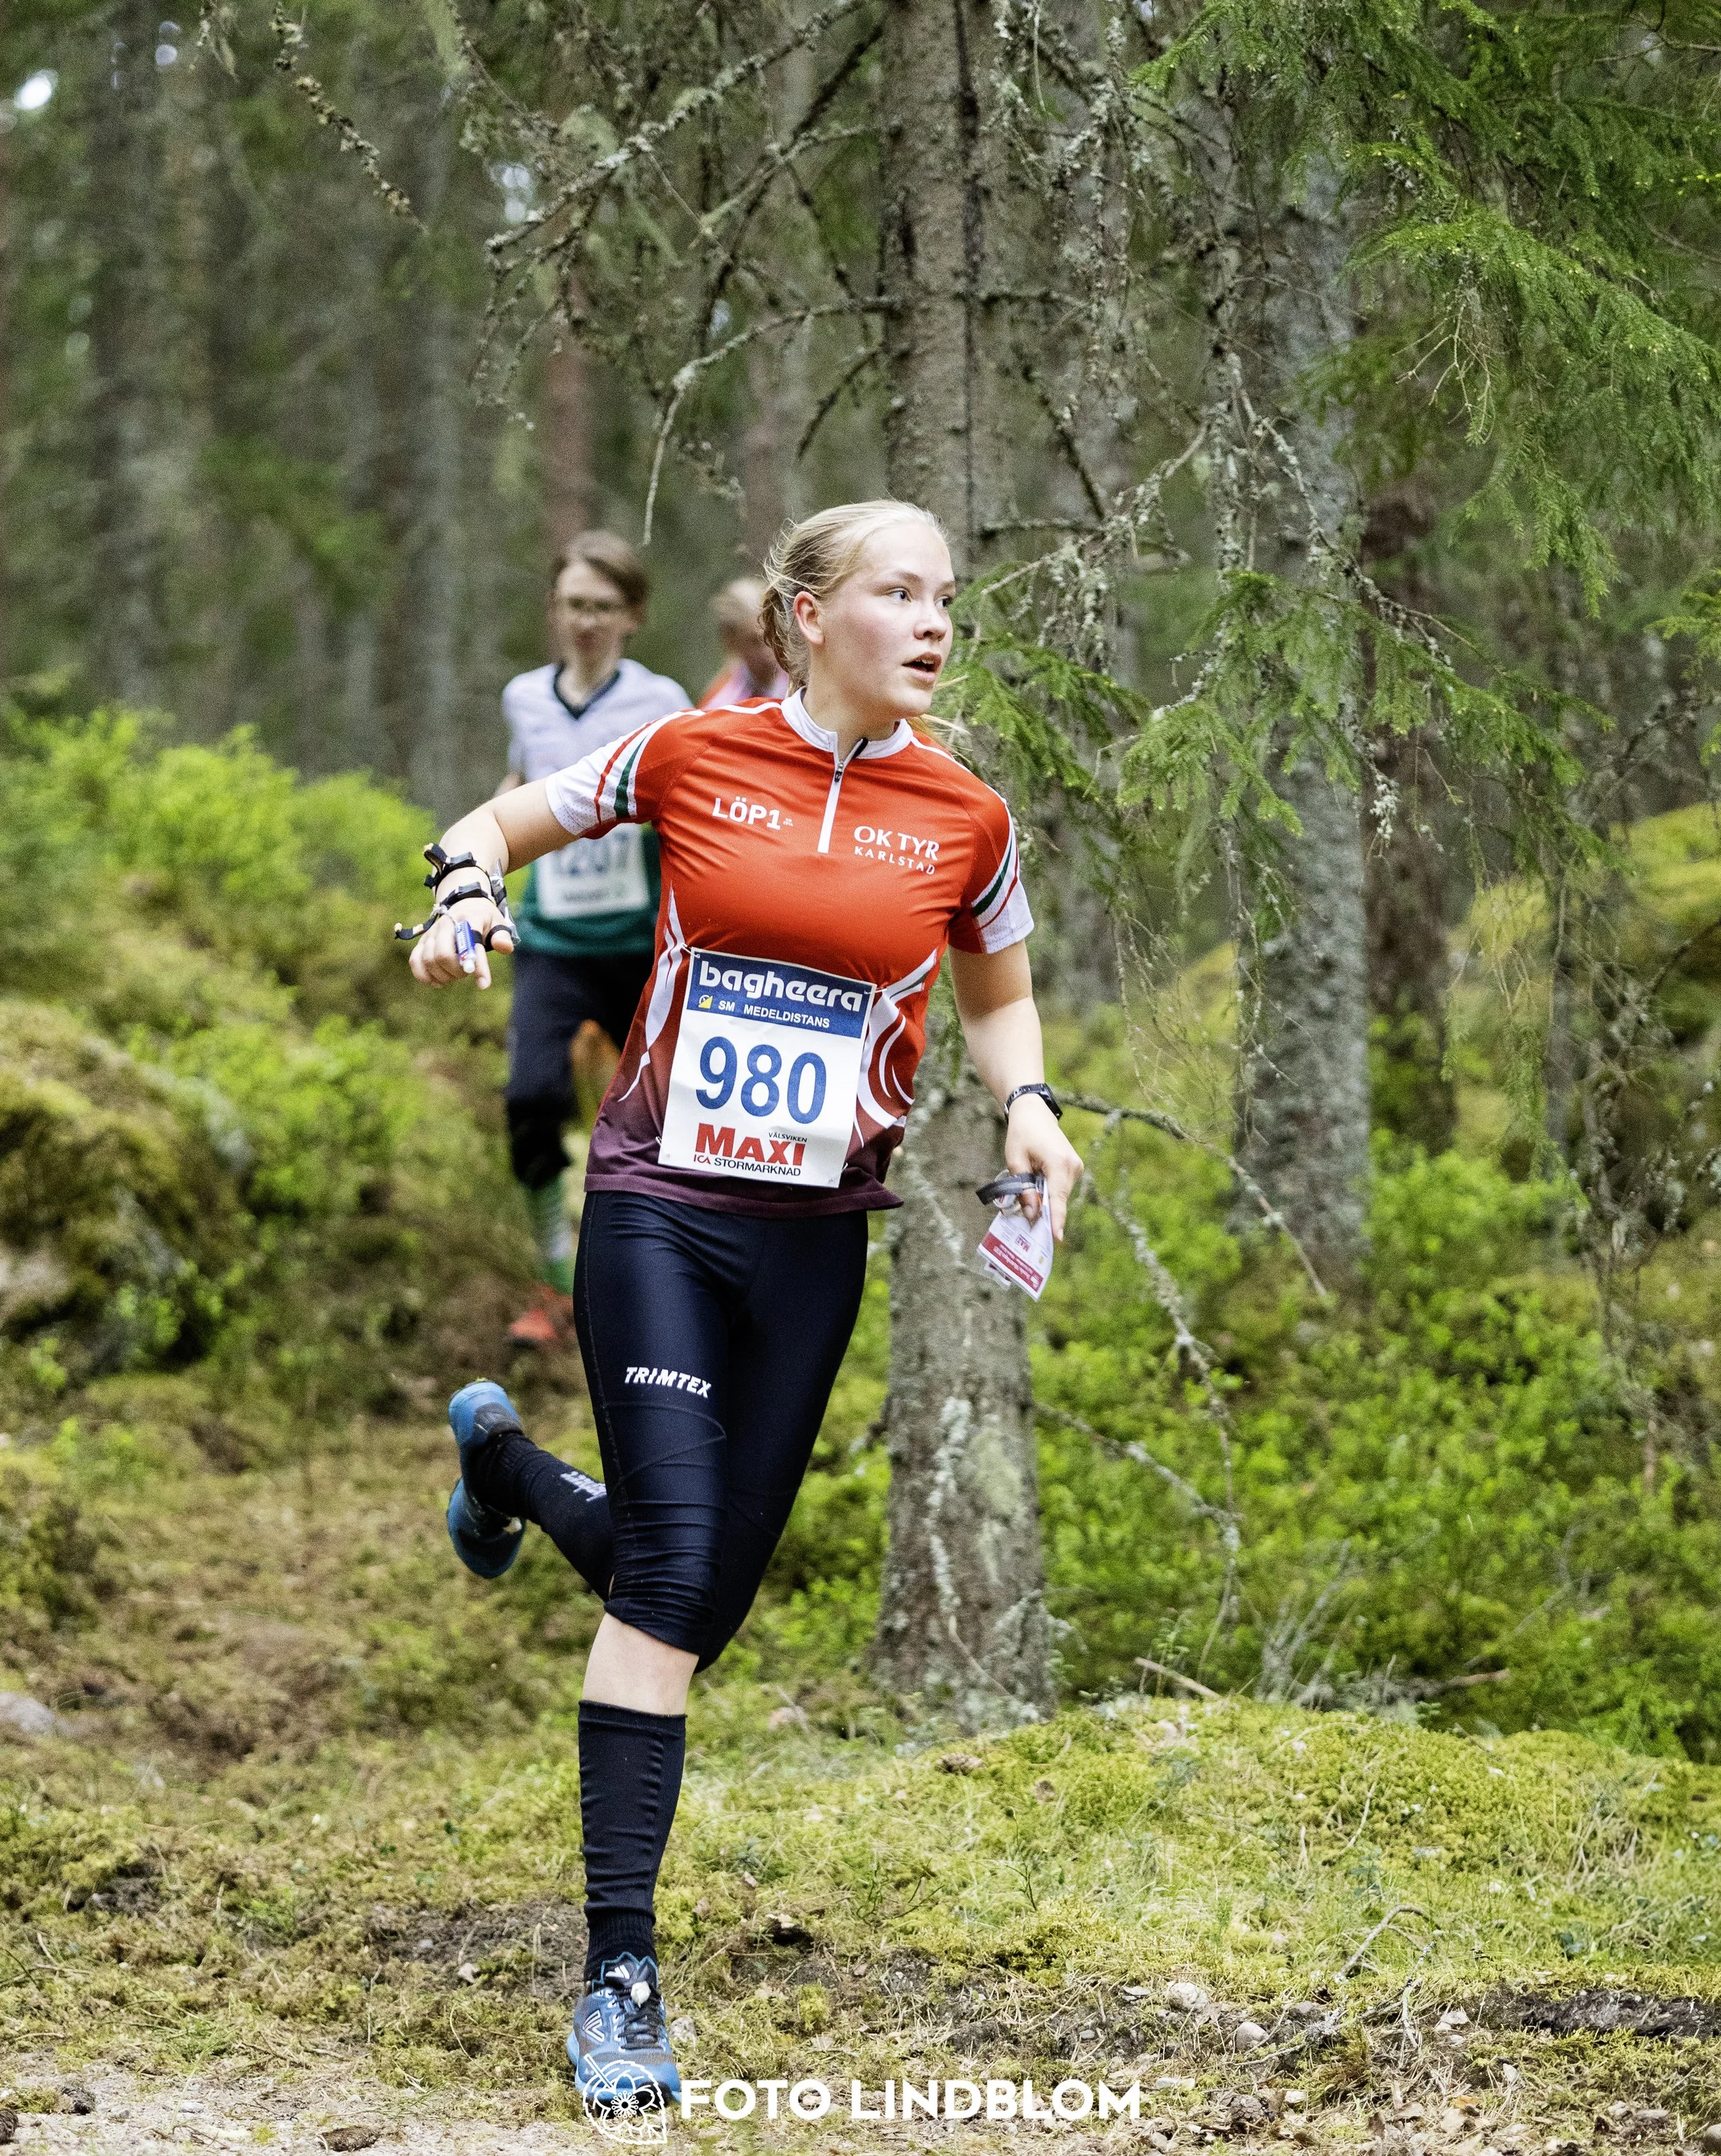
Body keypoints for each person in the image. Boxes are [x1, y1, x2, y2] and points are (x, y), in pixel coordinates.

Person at [406, 499, 1084, 2110]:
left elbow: (996, 986)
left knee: (699, 1596)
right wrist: (459, 896)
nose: (932, 622)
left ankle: (502, 1467)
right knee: (671, 1583)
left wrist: (1035, 1101)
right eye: (898, 593)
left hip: (815, 1240)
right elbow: (494, 824)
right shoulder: (690, 757)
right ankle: (620, 1982)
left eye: (944, 596)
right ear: (809, 616)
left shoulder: (965, 815)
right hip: (656, 1209)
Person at [498, 533, 690, 1345]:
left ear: (633, 616)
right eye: (575, 605)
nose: (587, 622)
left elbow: (693, 803)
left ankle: (667, 1279)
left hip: (639, 945)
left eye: (604, 608)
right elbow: (517, 784)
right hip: (554, 939)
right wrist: (477, 875)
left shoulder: (664, 701)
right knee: (531, 1098)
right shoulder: (524, 698)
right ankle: (554, 1275)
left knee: (668, 1117)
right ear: (554, 610)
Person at [697, 575, 788, 706]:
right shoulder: (719, 705)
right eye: (754, 641)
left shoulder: (806, 680)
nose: (768, 649)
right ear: (731, 643)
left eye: (773, 635)